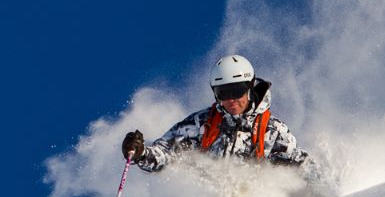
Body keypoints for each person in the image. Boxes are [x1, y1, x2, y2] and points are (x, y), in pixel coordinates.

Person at [122, 55, 308, 172]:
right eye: (223, 93)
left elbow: (300, 165)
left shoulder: (273, 130)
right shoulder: (201, 124)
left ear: (250, 87)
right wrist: (140, 153)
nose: (231, 99)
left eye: (237, 91)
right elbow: (165, 152)